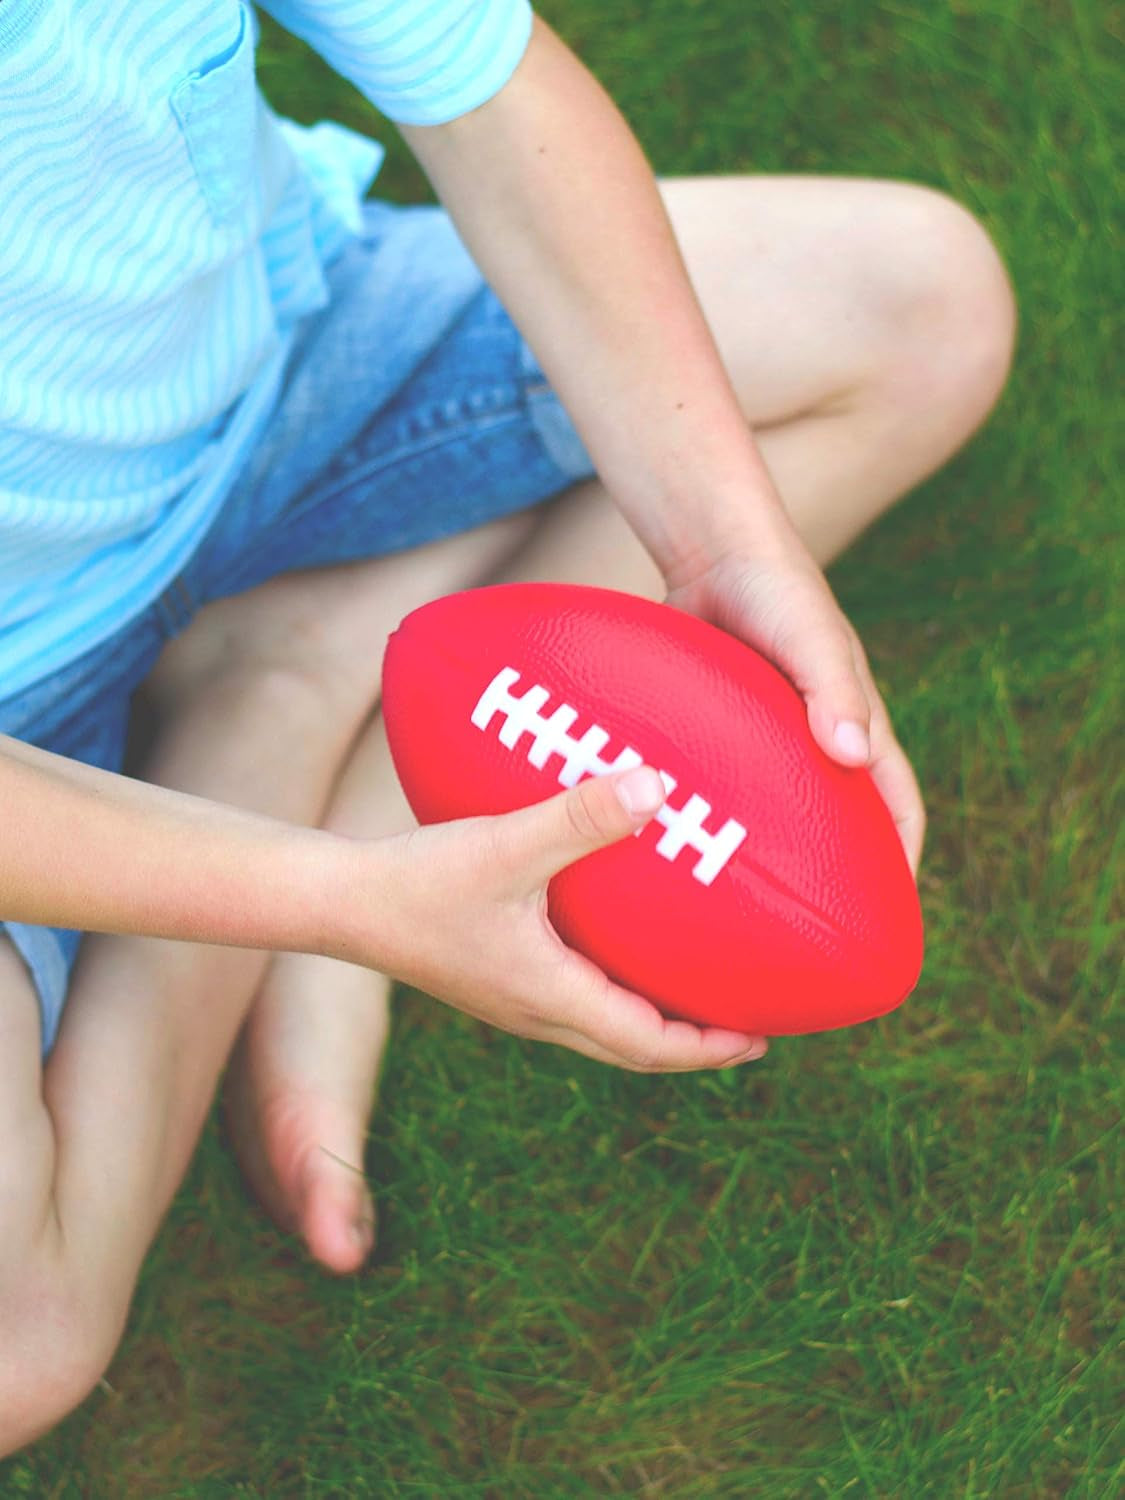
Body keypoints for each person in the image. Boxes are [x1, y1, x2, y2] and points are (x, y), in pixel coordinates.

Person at [0, 0, 1015, 1453]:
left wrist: (723, 544)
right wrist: (341, 906)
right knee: (17, 1345)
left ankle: (332, 651)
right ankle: (277, 722)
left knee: (917, 304)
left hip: (299, 367)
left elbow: (488, 92)